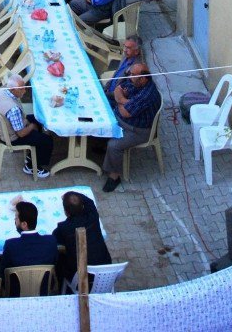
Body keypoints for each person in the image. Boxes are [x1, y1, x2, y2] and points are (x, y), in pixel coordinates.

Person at [102, 62, 161, 192]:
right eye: (131, 74)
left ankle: (114, 176)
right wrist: (124, 100)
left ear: (143, 78)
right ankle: (105, 154)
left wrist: (120, 100)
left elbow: (125, 112)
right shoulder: (136, 82)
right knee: (104, 120)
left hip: (139, 131)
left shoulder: (147, 94)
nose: (130, 77)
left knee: (114, 145)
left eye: (134, 75)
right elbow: (119, 88)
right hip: (127, 120)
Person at [0, 74, 53, 177]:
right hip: (13, 137)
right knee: (47, 140)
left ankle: (33, 155)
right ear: (13, 90)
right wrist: (31, 126)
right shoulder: (13, 109)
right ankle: (32, 167)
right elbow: (21, 134)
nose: (24, 91)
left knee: (39, 119)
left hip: (5, 127)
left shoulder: (1, 90)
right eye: (21, 89)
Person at [53, 192, 112, 288]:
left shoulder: (64, 228)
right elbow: (89, 201)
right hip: (106, 269)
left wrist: (69, 196)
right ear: (82, 207)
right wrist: (72, 195)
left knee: (58, 256)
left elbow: (54, 239)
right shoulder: (93, 216)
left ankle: (61, 288)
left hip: (82, 276)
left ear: (66, 212)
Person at [1, 201, 58, 295]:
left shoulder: (10, 245)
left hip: (16, 291)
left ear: (24, 224)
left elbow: (3, 270)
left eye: (16, 218)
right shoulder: (51, 241)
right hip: (44, 288)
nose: (15, 221)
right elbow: (55, 262)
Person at [105, 36, 146, 103]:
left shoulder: (136, 69)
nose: (124, 50)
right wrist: (106, 88)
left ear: (136, 51)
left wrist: (106, 94)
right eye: (125, 46)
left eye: (128, 48)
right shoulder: (125, 56)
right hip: (108, 91)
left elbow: (125, 93)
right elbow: (116, 73)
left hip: (114, 100)